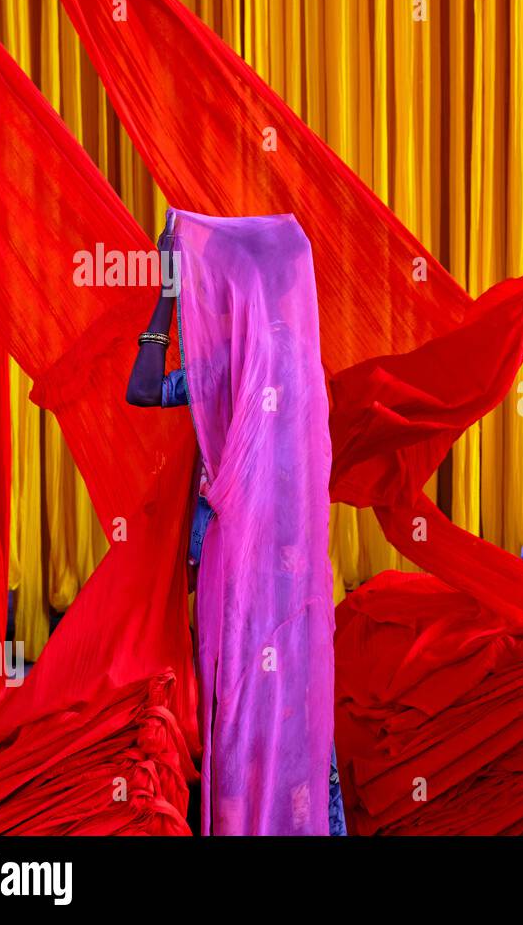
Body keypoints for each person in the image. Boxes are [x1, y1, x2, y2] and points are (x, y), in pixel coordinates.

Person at [126, 210, 345, 835]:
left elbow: (140, 391)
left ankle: (245, 820)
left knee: (243, 706)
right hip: (296, 571)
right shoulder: (304, 363)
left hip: (240, 572)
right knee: (295, 707)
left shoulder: (232, 363)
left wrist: (166, 297)